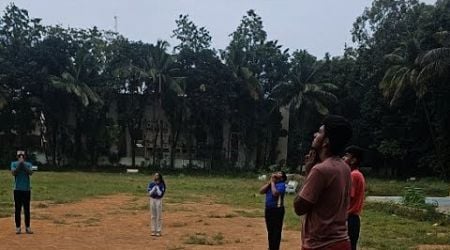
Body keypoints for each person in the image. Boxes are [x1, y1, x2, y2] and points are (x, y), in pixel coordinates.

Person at [294, 115, 353, 250]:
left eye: (320, 132)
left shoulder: (320, 170)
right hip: (342, 242)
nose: (315, 134)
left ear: (326, 141)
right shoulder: (344, 167)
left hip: (321, 245)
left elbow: (299, 207)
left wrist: (308, 172)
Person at [343, 146, 366, 250]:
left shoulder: (353, 175)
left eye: (347, 156)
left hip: (349, 218)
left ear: (353, 160)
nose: (344, 158)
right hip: (353, 219)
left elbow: (348, 198)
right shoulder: (358, 174)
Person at [259, 171, 287, 250]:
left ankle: (275, 248)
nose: (277, 174)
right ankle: (271, 247)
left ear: (282, 178)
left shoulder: (282, 185)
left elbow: (275, 193)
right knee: (270, 230)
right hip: (269, 209)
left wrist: (273, 183)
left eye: (279, 173)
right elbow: (261, 191)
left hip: (277, 210)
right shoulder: (271, 184)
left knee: (276, 231)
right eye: (277, 172)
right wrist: (270, 182)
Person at [11, 150, 34, 234]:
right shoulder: (13, 164)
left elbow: (30, 172)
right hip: (17, 190)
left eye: (22, 155)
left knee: (27, 209)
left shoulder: (28, 164)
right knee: (18, 209)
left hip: (26, 190)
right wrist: (19, 164)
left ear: (25, 156)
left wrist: (23, 164)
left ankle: (27, 227)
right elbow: (14, 173)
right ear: (17, 157)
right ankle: (18, 227)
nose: (21, 157)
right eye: (19, 155)